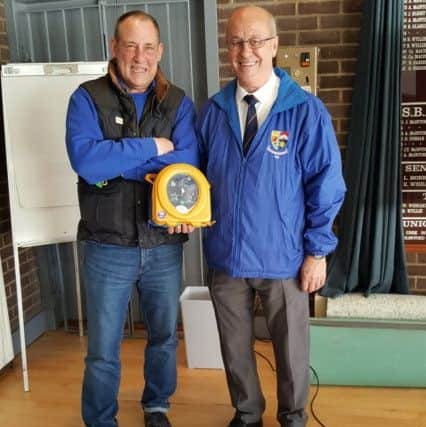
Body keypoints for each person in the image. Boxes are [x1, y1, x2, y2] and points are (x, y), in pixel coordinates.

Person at [196, 6, 346, 427]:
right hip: (227, 257)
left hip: (285, 258)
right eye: (237, 41)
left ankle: (294, 417)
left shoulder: (305, 112)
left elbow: (327, 185)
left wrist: (317, 252)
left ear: (275, 45)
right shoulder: (213, 112)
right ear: (228, 48)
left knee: (292, 349)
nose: (247, 51)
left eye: (257, 40)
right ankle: (246, 415)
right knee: (234, 348)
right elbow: (195, 179)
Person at [66, 10, 198, 427]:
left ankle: (156, 406)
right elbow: (87, 161)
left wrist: (120, 158)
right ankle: (101, 420)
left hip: (162, 244)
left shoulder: (177, 101)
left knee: (162, 337)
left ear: (159, 51)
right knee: (103, 347)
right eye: (129, 46)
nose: (138, 57)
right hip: (107, 245)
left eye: (147, 47)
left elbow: (188, 161)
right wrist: (155, 147)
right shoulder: (86, 97)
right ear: (114, 48)